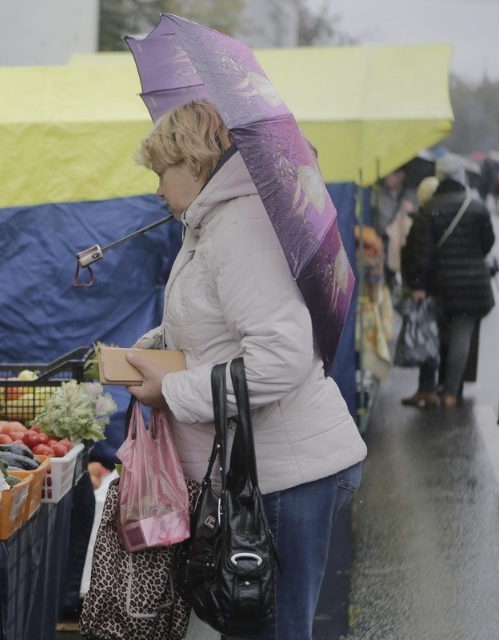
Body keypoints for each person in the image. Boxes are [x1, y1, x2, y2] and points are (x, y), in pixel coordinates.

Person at [122, 100, 367, 640]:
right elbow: (221, 321)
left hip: (286, 478)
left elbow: (281, 356)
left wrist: (173, 391)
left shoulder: (240, 227)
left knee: (274, 630)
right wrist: (159, 345)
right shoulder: (212, 224)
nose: (157, 189)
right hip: (267, 473)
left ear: (193, 162)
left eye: (161, 172)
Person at [400, 153, 495, 409]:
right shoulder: (477, 207)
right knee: (461, 337)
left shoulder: (429, 209)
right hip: (474, 285)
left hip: (441, 285)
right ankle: (451, 393)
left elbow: (423, 253)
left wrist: (419, 285)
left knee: (439, 336)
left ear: (439, 177)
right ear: (461, 177)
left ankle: (430, 388)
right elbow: (488, 243)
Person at [375, 166, 418, 292]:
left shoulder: (410, 196)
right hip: (383, 250)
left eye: (391, 174)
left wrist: (412, 213)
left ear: (401, 175)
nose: (387, 177)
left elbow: (419, 224)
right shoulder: (378, 195)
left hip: (405, 251)